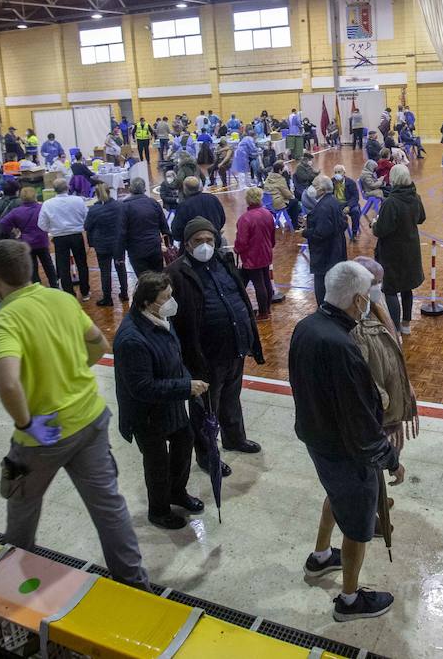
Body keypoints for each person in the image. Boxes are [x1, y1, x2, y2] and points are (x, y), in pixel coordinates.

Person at [0, 240, 150, 587]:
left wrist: (26, 423)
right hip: (90, 416)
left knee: (22, 501)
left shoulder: (2, 321)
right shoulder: (61, 298)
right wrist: (72, 370)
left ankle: (13, 572)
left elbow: (9, 382)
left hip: (45, 433)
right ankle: (134, 582)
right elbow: (99, 344)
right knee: (108, 506)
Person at [289, 261, 404, 621]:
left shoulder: (307, 326)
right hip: (346, 451)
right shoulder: (342, 345)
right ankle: (350, 601)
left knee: (336, 496)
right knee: (356, 525)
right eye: (370, 294)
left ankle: (321, 556)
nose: (372, 300)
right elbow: (359, 423)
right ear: (357, 299)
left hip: (318, 438)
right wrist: (390, 459)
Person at [166, 217, 263, 476]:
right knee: (205, 409)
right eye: (198, 241)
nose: (205, 245)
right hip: (203, 356)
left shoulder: (224, 261)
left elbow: (238, 295)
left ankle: (234, 438)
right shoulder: (175, 273)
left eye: (209, 240)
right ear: (186, 244)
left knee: (231, 397)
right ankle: (207, 455)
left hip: (234, 347)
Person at [113, 271, 209, 530]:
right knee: (157, 464)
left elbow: (175, 359)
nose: (171, 301)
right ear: (147, 302)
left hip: (171, 404)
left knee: (184, 442)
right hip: (147, 414)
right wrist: (186, 387)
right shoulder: (132, 339)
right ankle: (158, 510)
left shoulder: (160, 319)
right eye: (165, 298)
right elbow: (142, 387)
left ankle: (177, 492)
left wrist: (187, 381)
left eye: (171, 295)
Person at [351, 257, 418, 450]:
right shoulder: (354, 328)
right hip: (375, 412)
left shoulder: (377, 305)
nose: (378, 287)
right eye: (374, 283)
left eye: (380, 282)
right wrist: (384, 400)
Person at [371, 165, 424, 335]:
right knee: (407, 287)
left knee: (391, 289)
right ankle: (406, 325)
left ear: (393, 179)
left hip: (392, 252)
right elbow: (421, 218)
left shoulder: (391, 202)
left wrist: (374, 224)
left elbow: (381, 230)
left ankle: (394, 328)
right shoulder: (415, 197)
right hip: (411, 249)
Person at [38, 179, 90, 299]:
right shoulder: (78, 200)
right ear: (67, 187)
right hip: (76, 234)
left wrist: (52, 230)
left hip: (59, 237)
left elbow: (41, 224)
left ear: (54, 189)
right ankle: (85, 292)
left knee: (63, 266)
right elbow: (86, 217)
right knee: (82, 264)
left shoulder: (48, 204)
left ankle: (69, 294)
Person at [303, 174, 348, 305]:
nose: (311, 188)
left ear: (322, 189)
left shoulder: (323, 207)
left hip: (325, 255)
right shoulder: (333, 201)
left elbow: (321, 233)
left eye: (314, 185)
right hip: (335, 251)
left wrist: (306, 232)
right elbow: (342, 223)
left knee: (322, 288)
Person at [0, 186, 57, 286]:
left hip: (26, 243)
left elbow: (3, 222)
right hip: (42, 241)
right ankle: (54, 285)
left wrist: (14, 231)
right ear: (35, 196)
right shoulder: (42, 207)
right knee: (48, 265)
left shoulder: (16, 211)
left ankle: (37, 286)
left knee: (32, 267)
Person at [233, 186, 276, 318]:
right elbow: (272, 235)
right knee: (266, 281)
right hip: (266, 252)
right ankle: (267, 309)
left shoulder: (245, 219)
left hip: (252, 256)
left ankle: (263, 312)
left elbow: (242, 241)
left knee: (258, 283)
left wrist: (237, 249)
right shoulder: (268, 214)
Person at [82, 183, 127, 307]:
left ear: (96, 195)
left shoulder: (94, 210)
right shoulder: (119, 205)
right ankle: (124, 294)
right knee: (121, 268)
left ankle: (107, 298)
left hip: (102, 244)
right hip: (117, 243)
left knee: (105, 271)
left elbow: (87, 226)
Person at [121, 177, 171, 278]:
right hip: (154, 247)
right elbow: (165, 227)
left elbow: (121, 232)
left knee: (143, 281)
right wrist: (168, 245)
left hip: (136, 250)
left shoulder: (124, 207)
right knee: (159, 279)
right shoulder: (153, 203)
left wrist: (119, 254)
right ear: (144, 189)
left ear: (130, 189)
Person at [171, 176, 224, 244]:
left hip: (193, 245)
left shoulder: (184, 206)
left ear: (185, 189)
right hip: (215, 241)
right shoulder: (213, 198)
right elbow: (222, 219)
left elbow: (176, 232)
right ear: (199, 187)